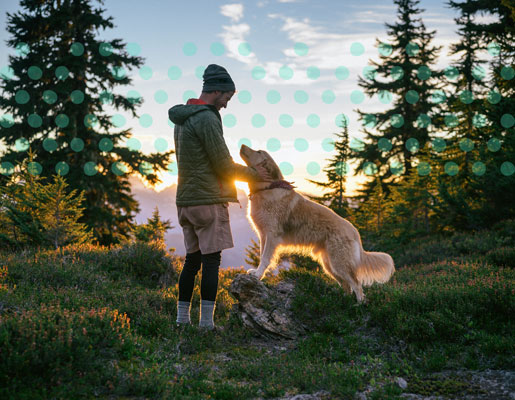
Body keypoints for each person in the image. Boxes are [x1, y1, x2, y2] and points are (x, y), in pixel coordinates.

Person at [168, 64, 271, 330]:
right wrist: (256, 175)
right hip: (207, 201)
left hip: (185, 202)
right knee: (212, 261)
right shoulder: (207, 117)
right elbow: (223, 166)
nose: (226, 104)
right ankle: (206, 326)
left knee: (192, 261)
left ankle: (181, 320)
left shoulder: (183, 118)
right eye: (227, 97)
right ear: (217, 90)